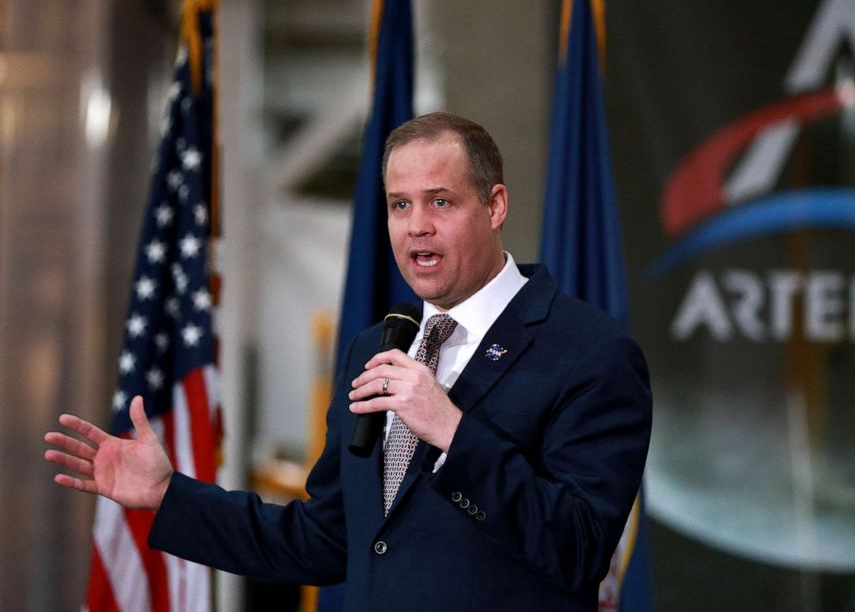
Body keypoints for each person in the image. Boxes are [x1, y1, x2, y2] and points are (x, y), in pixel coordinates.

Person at [45, 112, 652, 612]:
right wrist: (170, 495)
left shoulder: (590, 353)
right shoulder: (378, 346)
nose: (417, 228)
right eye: (399, 205)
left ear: (494, 206)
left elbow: (579, 549)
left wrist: (452, 433)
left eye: (440, 202)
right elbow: (327, 538)